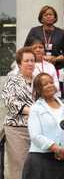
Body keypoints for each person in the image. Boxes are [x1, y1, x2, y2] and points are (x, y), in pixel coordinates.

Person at [22, 73, 64, 179]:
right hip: (41, 161)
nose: (50, 85)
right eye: (45, 84)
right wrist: (56, 148)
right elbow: (35, 136)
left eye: (51, 82)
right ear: (38, 89)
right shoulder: (35, 109)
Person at [1, 47, 35, 179]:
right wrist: (33, 111)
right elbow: (10, 102)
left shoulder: (38, 79)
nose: (30, 63)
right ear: (19, 64)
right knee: (18, 166)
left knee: (34, 167)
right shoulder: (12, 79)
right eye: (27, 61)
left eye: (32, 60)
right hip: (16, 129)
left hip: (36, 129)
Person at [24, 5, 64, 96]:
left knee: (56, 93)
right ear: (41, 18)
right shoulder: (34, 31)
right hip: (37, 68)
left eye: (51, 15)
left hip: (56, 69)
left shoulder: (61, 33)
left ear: (55, 17)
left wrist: (55, 59)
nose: (49, 16)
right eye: (46, 15)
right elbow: (26, 49)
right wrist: (39, 56)